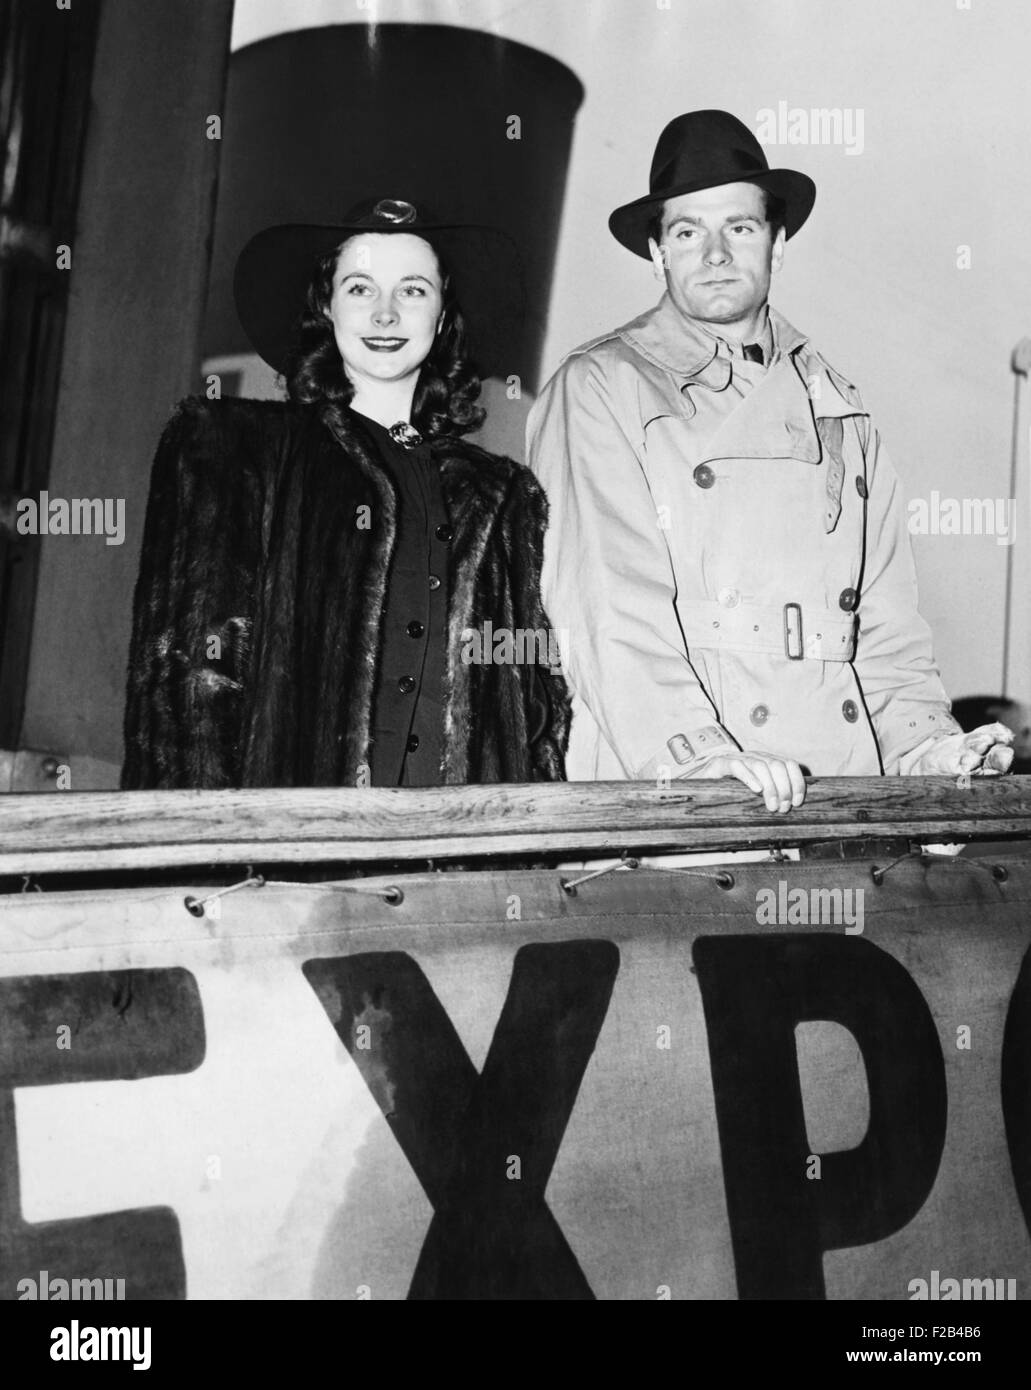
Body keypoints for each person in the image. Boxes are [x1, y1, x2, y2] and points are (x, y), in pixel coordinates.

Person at [527, 110, 1013, 814]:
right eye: (687, 231)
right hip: (671, 798)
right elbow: (608, 611)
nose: (714, 253)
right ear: (657, 253)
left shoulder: (839, 408)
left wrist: (930, 754)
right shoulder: (601, 386)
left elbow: (884, 628)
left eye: (740, 227)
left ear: (776, 245)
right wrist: (701, 761)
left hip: (831, 797)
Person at [122, 197, 569, 789]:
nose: (385, 314)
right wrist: (208, 860)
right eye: (360, 289)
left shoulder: (504, 495)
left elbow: (532, 701)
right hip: (297, 858)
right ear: (325, 306)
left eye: (412, 290)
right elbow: (185, 684)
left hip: (461, 856)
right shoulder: (234, 449)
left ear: (441, 317)